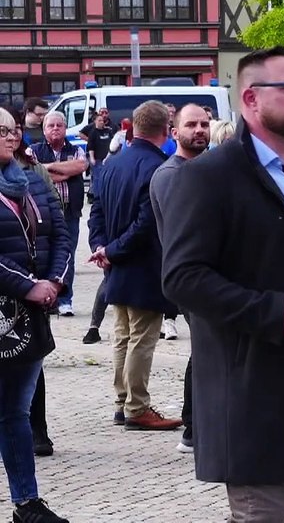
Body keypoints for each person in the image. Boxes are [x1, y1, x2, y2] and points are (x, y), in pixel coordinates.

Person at [161, 47, 284, 522]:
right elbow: (182, 278)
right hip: (257, 384)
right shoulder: (210, 178)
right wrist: (273, 311)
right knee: (263, 516)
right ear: (251, 99)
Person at [87, 100, 183, 432]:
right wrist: (111, 250)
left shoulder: (112, 163)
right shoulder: (158, 166)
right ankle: (136, 406)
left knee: (122, 335)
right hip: (142, 263)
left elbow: (96, 209)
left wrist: (100, 247)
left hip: (116, 263)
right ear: (165, 128)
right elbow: (146, 223)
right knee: (141, 337)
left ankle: (121, 401)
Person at [0, 107, 73, 523]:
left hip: (27, 321)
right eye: (3, 131)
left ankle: (26, 503)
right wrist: (29, 284)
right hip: (10, 303)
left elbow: (61, 234)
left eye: (13, 131)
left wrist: (56, 280)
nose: (12, 138)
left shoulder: (32, 180)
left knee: (15, 412)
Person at [148, 103, 211, 454]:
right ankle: (193, 428)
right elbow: (185, 230)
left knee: (207, 349)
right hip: (192, 275)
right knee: (206, 349)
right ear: (175, 133)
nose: (199, 130)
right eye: (191, 125)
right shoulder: (172, 174)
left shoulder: (202, 170)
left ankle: (196, 426)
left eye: (204, 123)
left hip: (207, 274)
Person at [29, 112, 87, 317]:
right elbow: (34, 172)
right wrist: (64, 171)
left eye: (59, 125)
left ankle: (65, 300)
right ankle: (46, 298)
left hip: (70, 212)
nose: (55, 129)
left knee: (67, 255)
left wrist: (48, 169)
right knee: (44, 254)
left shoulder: (77, 149)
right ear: (44, 130)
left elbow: (80, 166)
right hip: (43, 212)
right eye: (51, 125)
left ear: (65, 128)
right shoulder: (33, 150)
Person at [84, 109, 115, 194]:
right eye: (99, 120)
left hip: (108, 160)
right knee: (98, 179)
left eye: (102, 120)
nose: (102, 122)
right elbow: (91, 147)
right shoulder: (93, 133)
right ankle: (97, 197)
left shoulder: (108, 131)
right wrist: (92, 158)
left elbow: (113, 144)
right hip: (98, 160)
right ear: (95, 121)